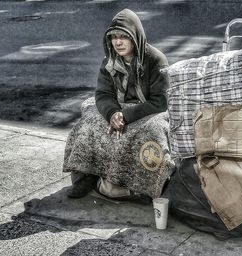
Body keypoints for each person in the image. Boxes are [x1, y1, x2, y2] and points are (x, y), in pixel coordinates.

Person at [63, 9, 173, 199]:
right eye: (114, 37)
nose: (118, 42)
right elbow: (103, 93)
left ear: (135, 36)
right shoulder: (109, 61)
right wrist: (113, 113)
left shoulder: (156, 60)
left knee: (154, 131)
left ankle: (148, 186)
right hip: (118, 109)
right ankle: (86, 176)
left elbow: (161, 101)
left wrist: (126, 116)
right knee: (88, 123)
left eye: (124, 36)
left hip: (147, 111)